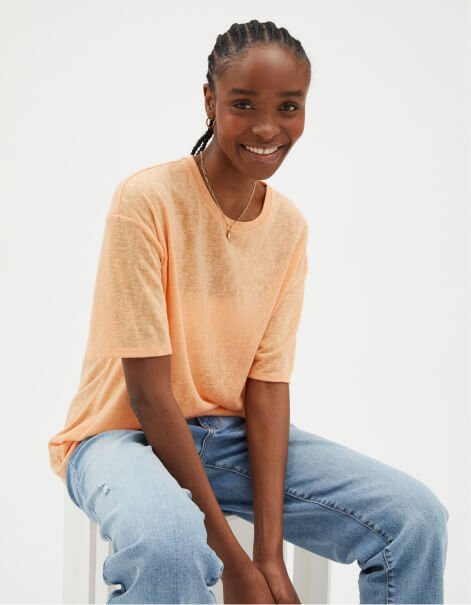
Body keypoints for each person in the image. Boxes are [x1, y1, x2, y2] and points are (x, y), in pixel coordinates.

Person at [48, 19, 449, 605]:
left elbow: (266, 387)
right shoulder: (147, 203)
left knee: (413, 518)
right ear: (209, 102)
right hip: (119, 437)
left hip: (226, 437)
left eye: (289, 106)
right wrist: (236, 564)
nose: (268, 128)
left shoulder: (288, 227)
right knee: (169, 545)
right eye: (243, 103)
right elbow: (150, 397)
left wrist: (270, 556)